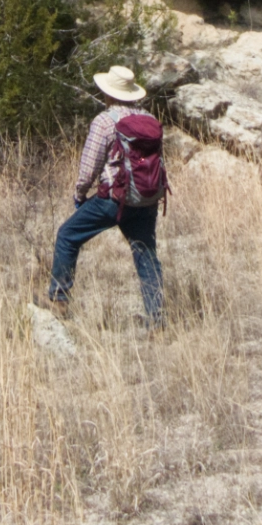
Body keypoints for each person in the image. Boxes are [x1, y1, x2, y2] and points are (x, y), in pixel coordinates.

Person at [44, 66, 164, 328]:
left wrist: (79, 193)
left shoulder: (105, 121)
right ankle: (156, 321)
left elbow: (90, 167)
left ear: (109, 94)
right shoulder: (149, 119)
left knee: (67, 235)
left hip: (114, 198)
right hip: (145, 199)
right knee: (145, 253)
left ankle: (58, 299)